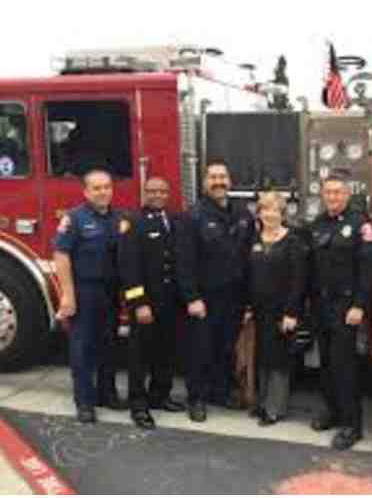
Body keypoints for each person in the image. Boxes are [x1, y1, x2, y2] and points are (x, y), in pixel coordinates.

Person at [175, 158, 256, 422]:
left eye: (223, 177)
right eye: (213, 177)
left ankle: (219, 392)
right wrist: (192, 297)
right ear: (204, 182)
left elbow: (248, 256)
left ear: (230, 181)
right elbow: (184, 261)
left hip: (233, 297)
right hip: (205, 298)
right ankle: (196, 398)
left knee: (225, 347)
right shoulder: (193, 216)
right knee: (200, 348)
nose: (219, 182)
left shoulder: (242, 214)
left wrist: (248, 299)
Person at [307, 169, 372, 450]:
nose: (333, 196)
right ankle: (332, 411)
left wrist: (360, 305)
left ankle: (352, 425)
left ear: (348, 194)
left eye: (338, 192)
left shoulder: (361, 224)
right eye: (328, 192)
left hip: (346, 307)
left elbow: (369, 270)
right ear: (322, 195)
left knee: (344, 366)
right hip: (322, 306)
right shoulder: (318, 223)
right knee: (325, 363)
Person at [53, 168, 127, 423]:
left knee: (109, 345)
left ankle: (106, 394)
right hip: (85, 290)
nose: (103, 191)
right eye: (97, 188)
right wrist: (68, 296)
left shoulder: (118, 218)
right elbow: (61, 256)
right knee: (83, 349)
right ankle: (84, 402)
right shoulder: (74, 219)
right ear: (86, 191)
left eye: (107, 186)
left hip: (110, 292)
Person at [117, 177, 186, 430]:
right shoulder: (133, 222)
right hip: (146, 303)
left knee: (165, 352)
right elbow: (128, 268)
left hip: (169, 301)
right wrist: (139, 304)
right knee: (140, 356)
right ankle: (138, 405)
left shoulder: (172, 220)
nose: (158, 195)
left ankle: (160, 396)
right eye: (153, 191)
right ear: (144, 194)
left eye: (163, 191)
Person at [245, 191, 308, 426]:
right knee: (262, 357)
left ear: (283, 214)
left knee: (279, 360)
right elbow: (249, 276)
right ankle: (262, 403)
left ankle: (275, 409)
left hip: (282, 311)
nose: (269, 214)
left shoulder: (293, 241)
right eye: (265, 209)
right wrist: (248, 307)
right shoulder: (254, 239)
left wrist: (291, 313)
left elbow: (298, 281)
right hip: (260, 311)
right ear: (259, 213)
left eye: (275, 210)